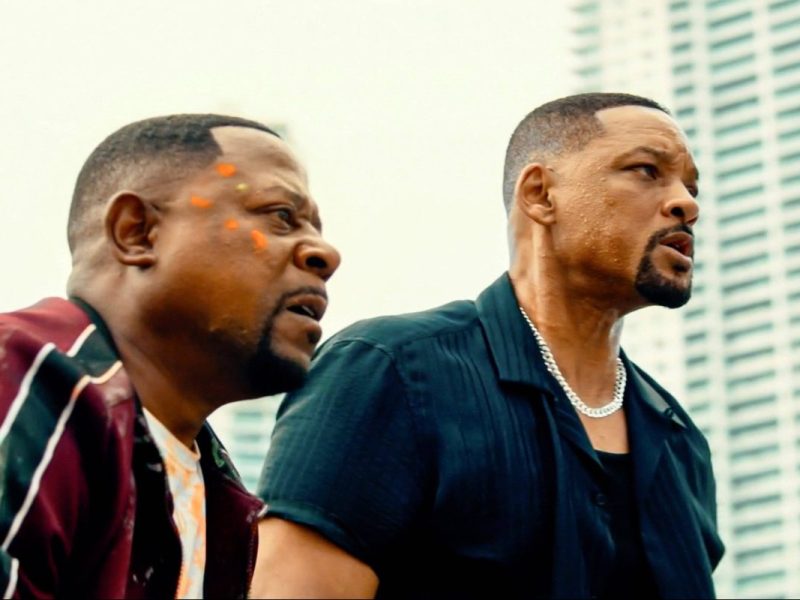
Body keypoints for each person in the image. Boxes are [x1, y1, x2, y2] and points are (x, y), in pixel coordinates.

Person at [253, 93, 724, 599]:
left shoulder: (681, 444)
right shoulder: (391, 370)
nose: (687, 204)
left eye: (690, 186)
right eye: (647, 171)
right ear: (540, 194)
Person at [0, 114, 339, 598]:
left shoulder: (218, 499)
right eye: (281, 215)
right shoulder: (23, 380)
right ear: (136, 232)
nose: (325, 254)